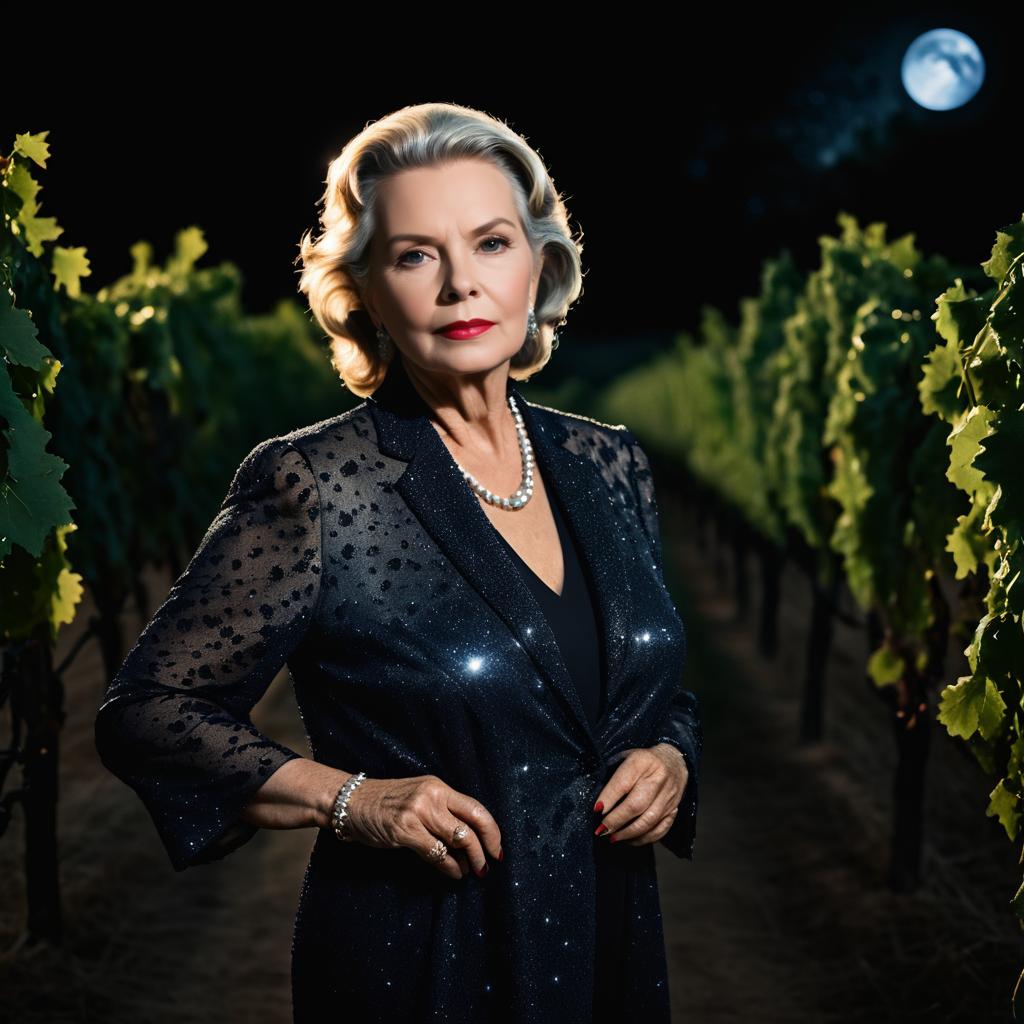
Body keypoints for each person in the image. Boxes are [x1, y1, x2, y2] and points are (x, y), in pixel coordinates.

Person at [94, 101, 702, 1023]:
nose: (461, 283)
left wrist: (671, 755)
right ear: (366, 292)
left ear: (539, 264)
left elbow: (650, 687)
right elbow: (146, 712)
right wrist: (349, 801)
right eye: (416, 255)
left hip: (609, 946)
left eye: (491, 242)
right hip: (424, 963)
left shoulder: (609, 463)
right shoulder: (318, 483)